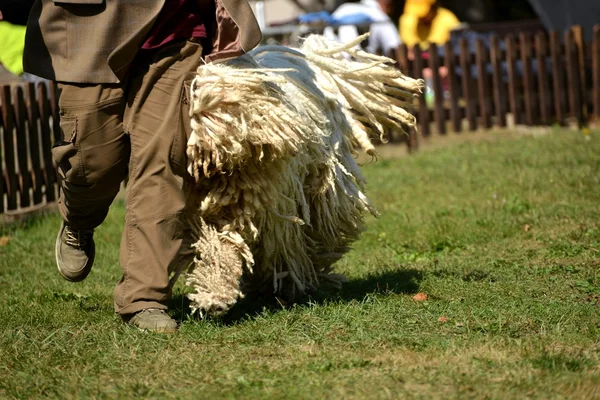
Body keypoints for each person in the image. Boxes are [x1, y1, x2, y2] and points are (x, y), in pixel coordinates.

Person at [22, 0, 261, 332]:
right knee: (93, 161)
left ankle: (145, 297)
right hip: (92, 23)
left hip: (176, 28)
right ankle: (79, 219)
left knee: (164, 158)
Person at [323, 0, 401, 55]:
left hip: (333, 64)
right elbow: (396, 47)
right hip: (363, 68)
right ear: (387, 3)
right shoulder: (380, 16)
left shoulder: (343, 8)